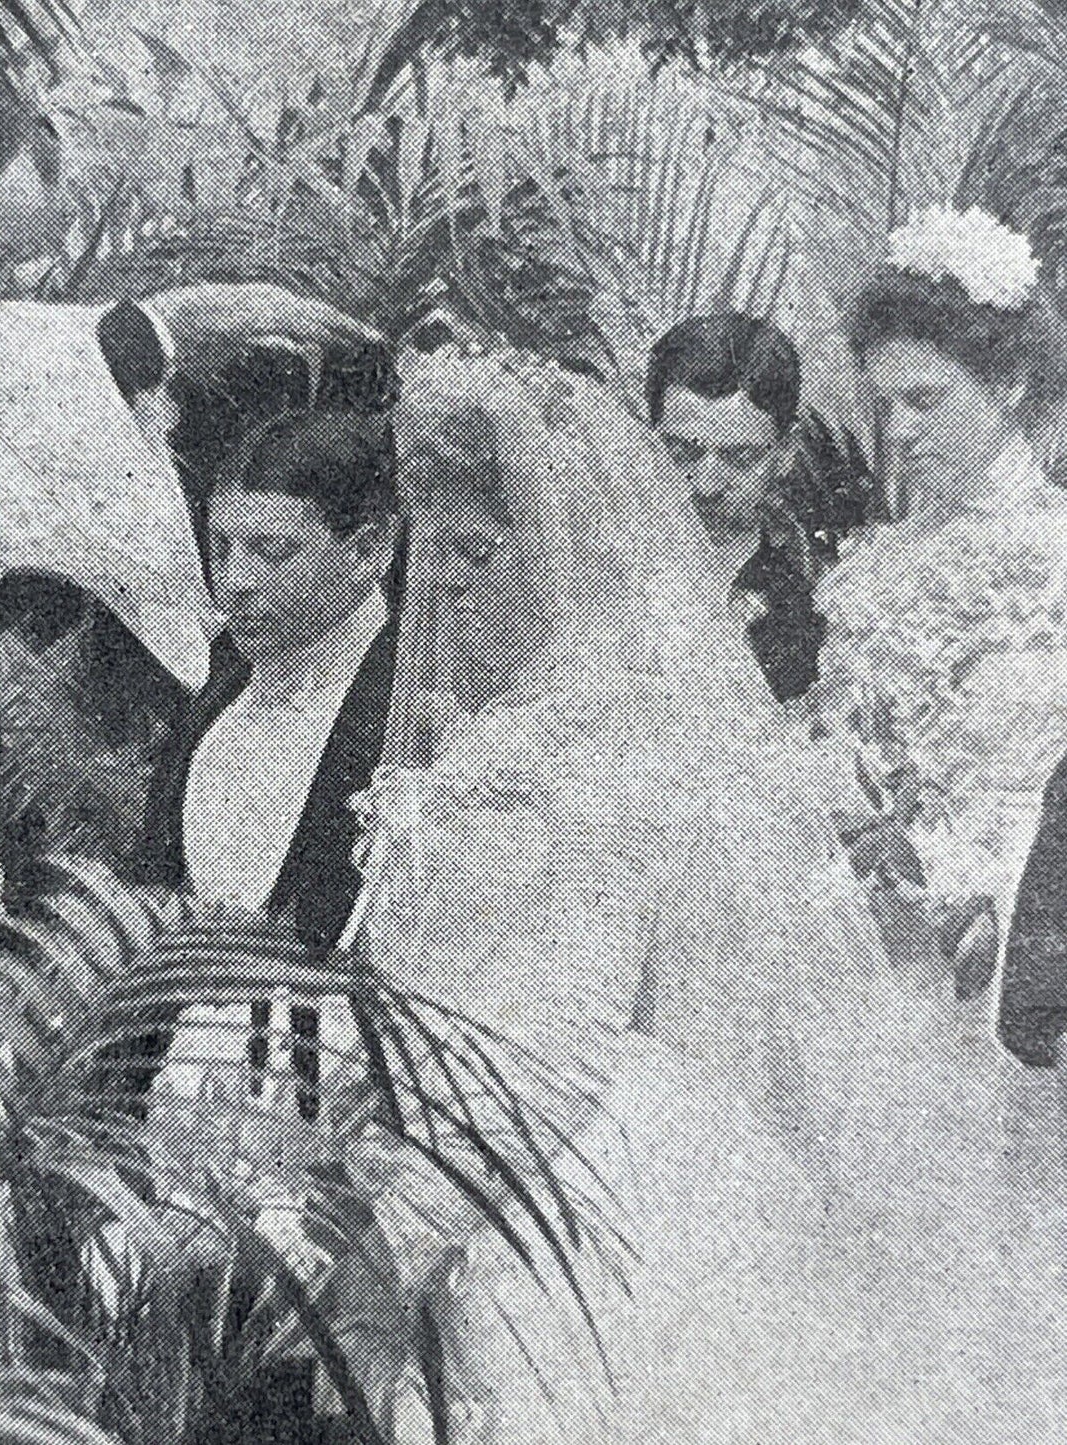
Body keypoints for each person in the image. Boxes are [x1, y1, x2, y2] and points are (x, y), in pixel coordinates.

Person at [351, 348, 1067, 1443]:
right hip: (456, 1125)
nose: (440, 581)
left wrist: (401, 1223)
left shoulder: (605, 740)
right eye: (430, 547)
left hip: (573, 1167)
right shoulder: (499, 724)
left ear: (555, 552)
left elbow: (564, 1021)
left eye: (476, 551)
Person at [807, 207, 1067, 1022]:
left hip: (1006, 951)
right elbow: (845, 752)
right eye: (886, 406)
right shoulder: (878, 560)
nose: (901, 433)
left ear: (1008, 385)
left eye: (925, 400)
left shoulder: (1054, 556)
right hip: (862, 929)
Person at [134, 391, 401, 1121]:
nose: (236, 581)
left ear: (368, 550)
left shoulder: (415, 709)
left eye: (273, 550)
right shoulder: (215, 690)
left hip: (336, 1108)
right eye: (221, 547)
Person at [646, 312, 878, 701]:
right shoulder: (588, 555)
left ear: (785, 453)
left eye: (740, 458)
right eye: (681, 452)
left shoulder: (809, 613)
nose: (706, 485)